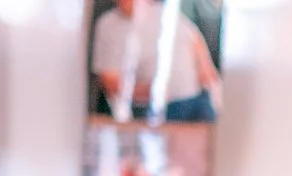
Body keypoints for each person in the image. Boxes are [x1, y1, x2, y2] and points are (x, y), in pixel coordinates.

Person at [90, 0, 222, 124]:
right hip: (155, 108)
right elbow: (109, 81)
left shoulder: (170, 14)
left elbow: (198, 48)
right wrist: (148, 92)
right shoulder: (108, 25)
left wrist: (212, 84)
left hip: (197, 100)